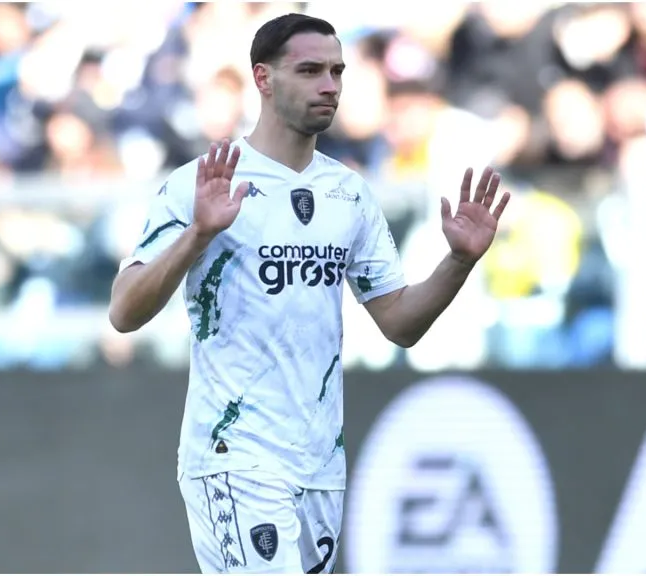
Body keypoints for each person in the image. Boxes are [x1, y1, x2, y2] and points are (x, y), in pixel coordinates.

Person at [108, 13, 510, 574]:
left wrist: (459, 262)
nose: (330, 85)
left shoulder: (348, 194)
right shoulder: (205, 183)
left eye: (338, 71)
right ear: (264, 79)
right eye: (311, 70)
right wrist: (198, 234)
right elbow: (124, 310)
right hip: (236, 454)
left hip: (320, 463)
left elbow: (399, 323)